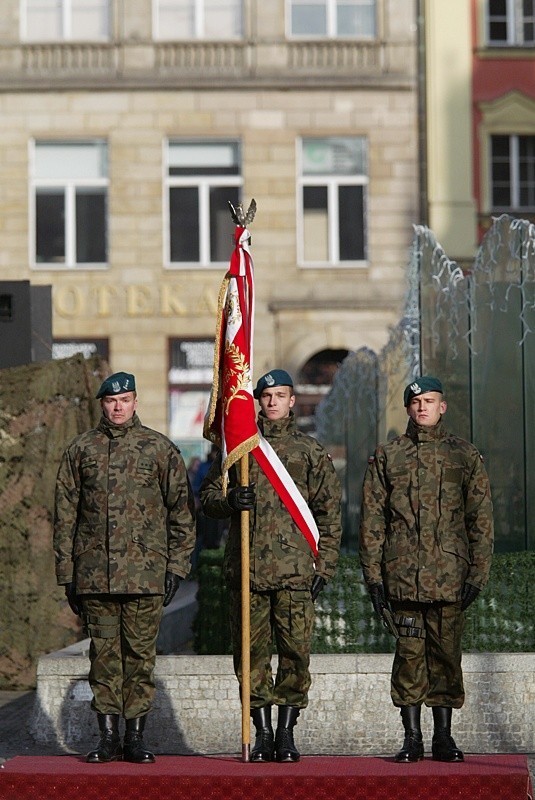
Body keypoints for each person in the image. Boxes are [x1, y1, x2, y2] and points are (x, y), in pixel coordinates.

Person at [200, 369, 342, 763]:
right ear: (257, 401)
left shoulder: (310, 453)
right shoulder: (240, 449)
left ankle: (286, 733)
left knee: (296, 655)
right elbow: (207, 497)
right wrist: (229, 502)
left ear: (293, 401)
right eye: (267, 396)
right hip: (247, 572)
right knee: (250, 657)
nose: (274, 402)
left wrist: (324, 567)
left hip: (296, 575)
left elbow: (330, 515)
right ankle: (261, 733)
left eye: (281, 395)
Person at [54, 371, 196, 764]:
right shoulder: (80, 450)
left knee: (139, 657)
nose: (119, 407)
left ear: (136, 402)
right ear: (102, 404)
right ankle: (107, 737)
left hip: (145, 575)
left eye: (126, 400)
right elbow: (65, 515)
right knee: (102, 657)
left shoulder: (159, 449)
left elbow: (181, 514)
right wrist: (67, 574)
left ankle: (135, 738)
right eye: (111, 401)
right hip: (95, 575)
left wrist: (177, 568)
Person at [359, 376, 494, 763]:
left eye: (430, 401)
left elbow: (480, 520)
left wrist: (477, 575)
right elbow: (373, 522)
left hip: (450, 579)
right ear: (408, 409)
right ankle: (412, 738)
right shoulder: (388, 457)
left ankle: (444, 738)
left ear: (442, 406)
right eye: (416, 402)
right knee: (409, 656)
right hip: (403, 580)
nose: (423, 408)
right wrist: (373, 579)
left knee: (447, 656)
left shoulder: (464, 456)